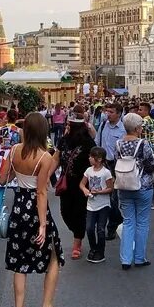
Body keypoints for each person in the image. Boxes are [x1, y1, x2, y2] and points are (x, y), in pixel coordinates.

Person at [0, 112, 68, 307]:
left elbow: (2, 179)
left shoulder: (14, 151)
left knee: (19, 262)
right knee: (54, 254)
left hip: (18, 207)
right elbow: (41, 192)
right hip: (35, 209)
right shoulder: (44, 157)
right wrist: (43, 224)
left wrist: (15, 172)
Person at [114, 113, 154, 270]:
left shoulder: (118, 144)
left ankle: (125, 259)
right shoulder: (143, 144)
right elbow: (150, 164)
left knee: (128, 222)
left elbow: (115, 160)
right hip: (142, 185)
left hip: (123, 185)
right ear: (137, 128)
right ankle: (139, 257)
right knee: (142, 222)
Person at [53, 108, 92, 260]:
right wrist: (46, 175)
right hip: (66, 182)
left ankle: (77, 241)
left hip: (82, 182)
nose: (67, 126)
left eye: (70, 124)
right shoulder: (63, 140)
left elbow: (93, 160)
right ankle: (77, 231)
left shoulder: (88, 142)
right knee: (65, 212)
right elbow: (56, 159)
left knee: (79, 212)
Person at [94, 104, 125, 240]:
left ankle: (112, 225)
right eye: (107, 111)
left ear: (119, 114)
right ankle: (116, 220)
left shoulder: (123, 129)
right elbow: (97, 143)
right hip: (103, 164)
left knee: (113, 197)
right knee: (104, 195)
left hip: (116, 165)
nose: (108, 114)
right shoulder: (103, 125)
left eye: (111, 112)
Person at [81, 147, 114, 263]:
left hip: (103, 204)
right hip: (91, 204)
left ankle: (100, 251)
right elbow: (82, 184)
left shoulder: (106, 172)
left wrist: (99, 192)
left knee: (100, 229)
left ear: (99, 159)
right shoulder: (88, 171)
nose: (89, 158)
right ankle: (93, 248)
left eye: (91, 156)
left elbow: (110, 188)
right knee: (89, 228)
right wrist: (85, 190)